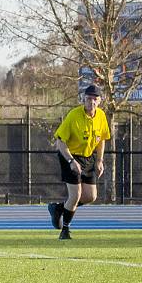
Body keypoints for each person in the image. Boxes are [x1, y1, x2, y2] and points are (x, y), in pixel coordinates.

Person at [47, 84, 111, 239]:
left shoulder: (101, 116)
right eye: (89, 98)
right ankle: (65, 230)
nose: (92, 102)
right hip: (70, 155)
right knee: (75, 195)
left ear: (100, 101)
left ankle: (59, 209)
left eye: (95, 99)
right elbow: (60, 142)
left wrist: (100, 160)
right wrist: (70, 161)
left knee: (90, 196)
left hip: (88, 157)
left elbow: (101, 139)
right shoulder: (74, 115)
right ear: (83, 99)